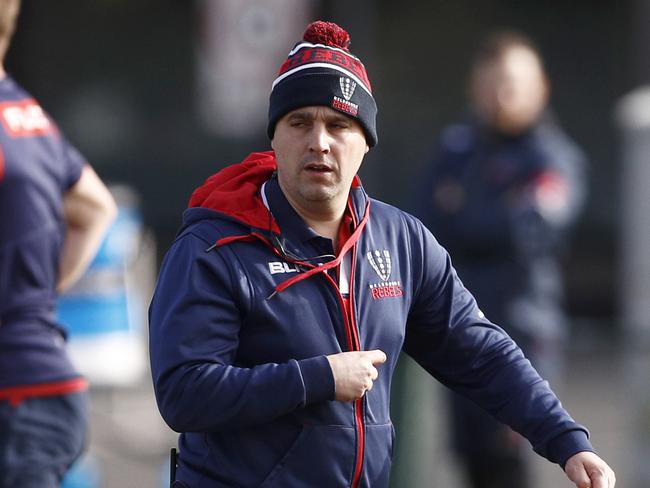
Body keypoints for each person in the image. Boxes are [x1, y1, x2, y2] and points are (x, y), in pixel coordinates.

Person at [149, 20, 615, 488]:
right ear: (274, 138)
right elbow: (184, 393)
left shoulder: (400, 240)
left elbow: (480, 352)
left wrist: (566, 439)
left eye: (338, 124)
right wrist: (319, 378)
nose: (319, 141)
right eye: (299, 122)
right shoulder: (213, 247)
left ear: (365, 141)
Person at [413, 30, 588, 488]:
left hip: (522, 346)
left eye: (512, 83)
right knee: (471, 467)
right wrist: (488, 211)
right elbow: (426, 224)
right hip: (457, 341)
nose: (500, 96)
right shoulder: (458, 149)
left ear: (540, 87)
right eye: (491, 83)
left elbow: (527, 229)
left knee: (511, 472)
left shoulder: (553, 158)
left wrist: (465, 211)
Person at [0, 1, 117, 486]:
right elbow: (96, 208)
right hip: (42, 386)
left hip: (17, 399)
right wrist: (33, 299)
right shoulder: (25, 113)